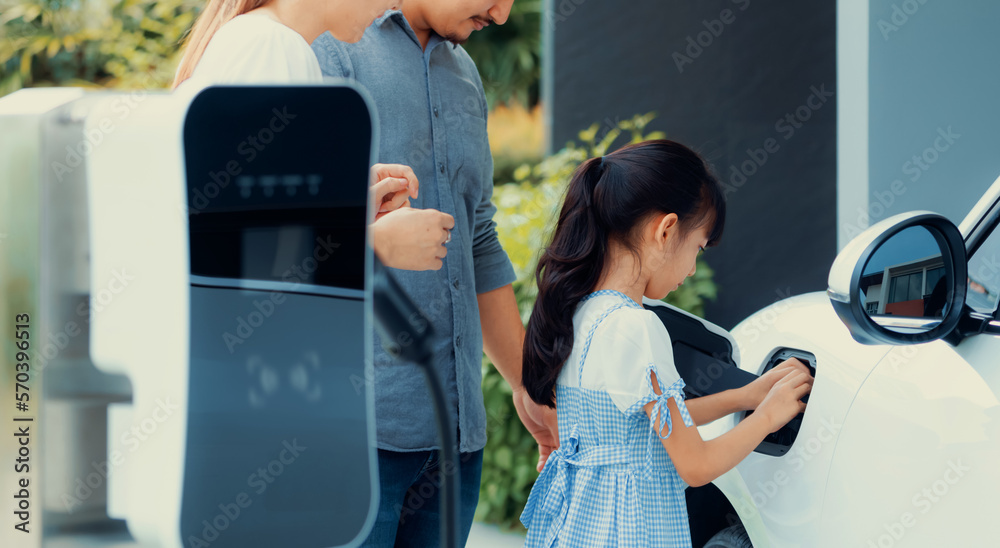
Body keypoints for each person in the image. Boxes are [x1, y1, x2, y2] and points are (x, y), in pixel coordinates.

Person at [311, 1, 559, 546]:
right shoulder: (331, 46)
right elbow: (294, 230)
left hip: (455, 446)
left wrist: (526, 384)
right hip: (357, 439)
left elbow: (479, 239)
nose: (500, 14)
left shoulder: (464, 74)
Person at [519, 140, 814, 547]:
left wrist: (746, 395)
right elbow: (695, 464)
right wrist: (770, 415)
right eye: (698, 249)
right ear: (666, 230)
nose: (692, 270)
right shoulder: (638, 328)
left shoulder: (580, 312)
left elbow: (644, 426)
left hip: (579, 529)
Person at [172, 0, 453, 271]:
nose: (396, 5)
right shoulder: (273, 47)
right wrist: (380, 244)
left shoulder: (263, 40)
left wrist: (342, 202)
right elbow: (248, 252)